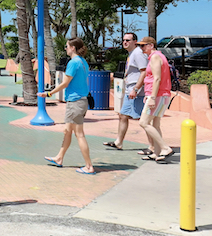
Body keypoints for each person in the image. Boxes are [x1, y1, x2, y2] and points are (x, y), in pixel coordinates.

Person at [38, 37, 95, 174]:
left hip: (75, 102)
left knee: (79, 134)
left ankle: (89, 166)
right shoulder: (82, 62)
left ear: (73, 48)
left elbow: (65, 83)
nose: (65, 48)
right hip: (79, 101)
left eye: (67, 46)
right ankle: (59, 158)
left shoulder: (73, 62)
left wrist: (49, 94)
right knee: (67, 131)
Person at [103, 32, 147, 151]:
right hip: (130, 91)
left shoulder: (138, 53)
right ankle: (119, 142)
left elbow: (144, 72)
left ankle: (155, 146)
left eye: (128, 40)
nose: (125, 42)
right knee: (123, 115)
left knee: (145, 120)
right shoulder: (131, 54)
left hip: (136, 92)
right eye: (124, 40)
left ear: (135, 41)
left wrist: (136, 89)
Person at [137, 36, 175, 162]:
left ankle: (165, 148)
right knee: (156, 124)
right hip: (161, 95)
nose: (141, 48)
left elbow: (157, 78)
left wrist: (152, 97)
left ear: (151, 45)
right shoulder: (158, 56)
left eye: (143, 45)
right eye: (140, 46)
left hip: (158, 95)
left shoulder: (155, 57)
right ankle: (157, 153)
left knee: (144, 122)